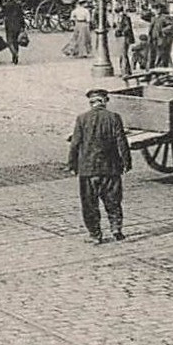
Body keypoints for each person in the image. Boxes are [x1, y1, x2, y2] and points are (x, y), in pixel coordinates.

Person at [67, 88, 131, 244]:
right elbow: (121, 141)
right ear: (105, 101)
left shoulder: (82, 119)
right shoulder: (114, 117)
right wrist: (127, 162)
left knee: (89, 204)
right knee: (113, 200)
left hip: (88, 169)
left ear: (91, 103)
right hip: (110, 168)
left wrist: (72, 164)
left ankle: (95, 235)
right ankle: (116, 228)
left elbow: (75, 144)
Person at [0, 0, 28, 65]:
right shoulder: (18, 5)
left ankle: (14, 53)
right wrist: (23, 26)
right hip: (18, 25)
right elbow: (21, 16)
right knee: (16, 42)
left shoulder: (6, 5)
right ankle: (14, 58)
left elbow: (2, 14)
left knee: (10, 41)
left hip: (9, 25)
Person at [111, 10, 134, 76]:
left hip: (124, 37)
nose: (119, 14)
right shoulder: (118, 18)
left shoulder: (126, 18)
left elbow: (128, 27)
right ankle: (125, 71)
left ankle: (125, 71)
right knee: (122, 54)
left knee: (123, 54)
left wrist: (122, 32)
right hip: (120, 37)